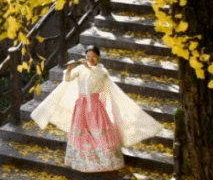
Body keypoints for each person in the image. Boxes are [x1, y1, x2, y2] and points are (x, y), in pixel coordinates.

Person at [30, 45, 162, 173]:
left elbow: (98, 76)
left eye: (93, 56)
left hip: (95, 106)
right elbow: (68, 78)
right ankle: (81, 161)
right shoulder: (81, 69)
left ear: (98, 57)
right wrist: (70, 69)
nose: (91, 59)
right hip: (81, 105)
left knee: (97, 130)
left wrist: (88, 67)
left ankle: (104, 160)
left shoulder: (101, 71)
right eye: (88, 56)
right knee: (81, 132)